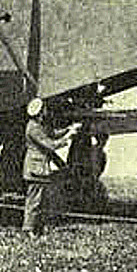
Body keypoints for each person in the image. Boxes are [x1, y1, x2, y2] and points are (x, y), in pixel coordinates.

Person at [21, 98, 80, 236]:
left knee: (41, 200)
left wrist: (68, 129)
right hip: (35, 168)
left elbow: (52, 134)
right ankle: (28, 229)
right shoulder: (33, 128)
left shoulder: (38, 125)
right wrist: (68, 137)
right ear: (41, 112)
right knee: (34, 200)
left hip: (39, 168)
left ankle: (37, 228)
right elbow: (50, 145)